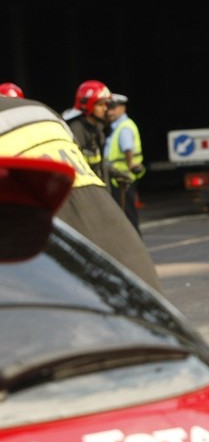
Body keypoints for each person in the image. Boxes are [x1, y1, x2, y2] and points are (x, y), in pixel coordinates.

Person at [0, 96, 162, 292]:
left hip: (68, 285)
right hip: (137, 276)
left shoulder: (92, 129)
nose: (107, 109)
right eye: (102, 104)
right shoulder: (42, 112)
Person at [104, 93, 145, 232]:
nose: (110, 112)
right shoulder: (117, 127)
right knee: (126, 214)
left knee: (128, 215)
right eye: (108, 108)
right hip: (119, 178)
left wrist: (130, 163)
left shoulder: (124, 127)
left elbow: (128, 148)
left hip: (123, 179)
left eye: (113, 108)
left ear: (123, 108)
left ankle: (135, 245)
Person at [67, 80, 111, 182]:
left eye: (106, 104)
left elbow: (99, 164)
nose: (105, 109)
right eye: (100, 105)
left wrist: (115, 172)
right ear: (87, 105)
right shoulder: (77, 129)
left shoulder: (97, 130)